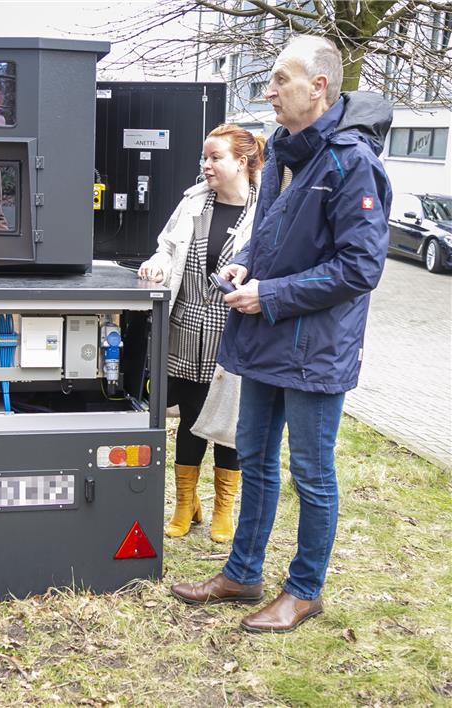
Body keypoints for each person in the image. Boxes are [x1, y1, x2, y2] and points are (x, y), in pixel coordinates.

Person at [171, 35, 392, 633]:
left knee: (312, 475)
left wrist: (269, 293)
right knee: (256, 461)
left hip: (315, 350)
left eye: (280, 79)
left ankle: (305, 589)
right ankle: (243, 573)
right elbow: (270, 238)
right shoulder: (286, 156)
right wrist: (248, 266)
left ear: (319, 86)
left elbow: (360, 268)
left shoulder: (352, 162)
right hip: (265, 340)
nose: (267, 90)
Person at [139, 125, 264, 543]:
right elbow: (167, 247)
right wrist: (156, 262)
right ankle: (184, 504)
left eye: (214, 158)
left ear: (242, 163)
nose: (205, 166)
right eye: (203, 158)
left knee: (229, 423)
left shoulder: (266, 211)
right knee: (190, 418)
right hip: (185, 330)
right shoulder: (194, 202)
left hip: (234, 335)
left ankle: (224, 509)